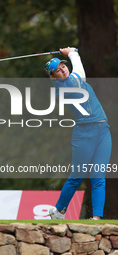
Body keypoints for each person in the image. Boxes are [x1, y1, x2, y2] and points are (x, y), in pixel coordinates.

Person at [45, 47, 112, 220]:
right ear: (53, 77)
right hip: (85, 134)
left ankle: (96, 218)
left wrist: (69, 55)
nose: (63, 70)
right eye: (58, 71)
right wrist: (72, 52)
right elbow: (80, 69)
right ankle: (59, 211)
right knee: (77, 176)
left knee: (99, 177)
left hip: (103, 131)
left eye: (63, 66)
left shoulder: (70, 80)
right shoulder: (68, 84)